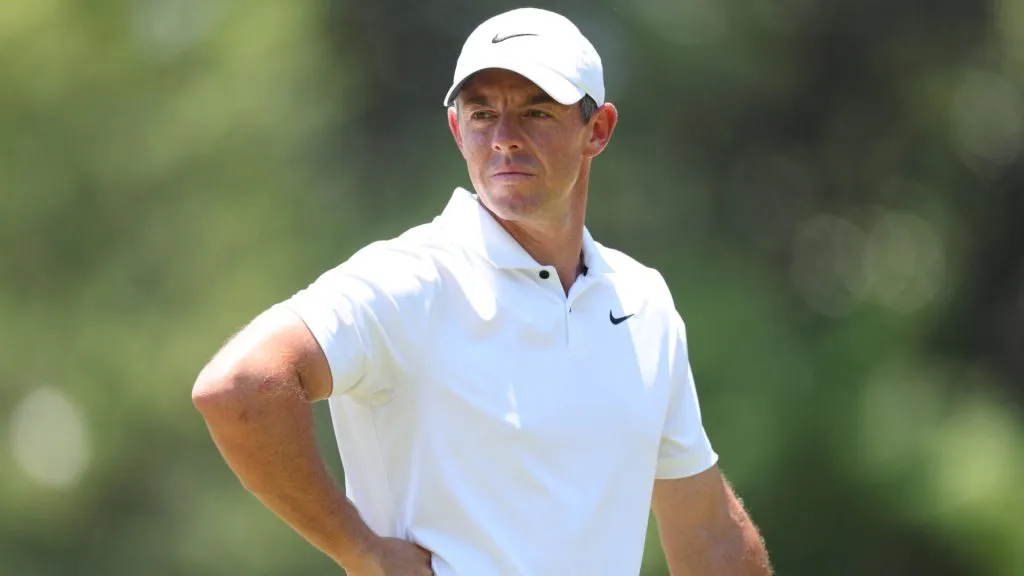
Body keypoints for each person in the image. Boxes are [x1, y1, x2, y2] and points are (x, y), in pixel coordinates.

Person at [192, 7, 771, 576]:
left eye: (536, 112)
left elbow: (711, 538)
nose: (504, 138)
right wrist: (358, 549)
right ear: (456, 130)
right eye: (482, 113)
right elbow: (241, 388)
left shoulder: (643, 302)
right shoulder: (407, 281)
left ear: (597, 130)